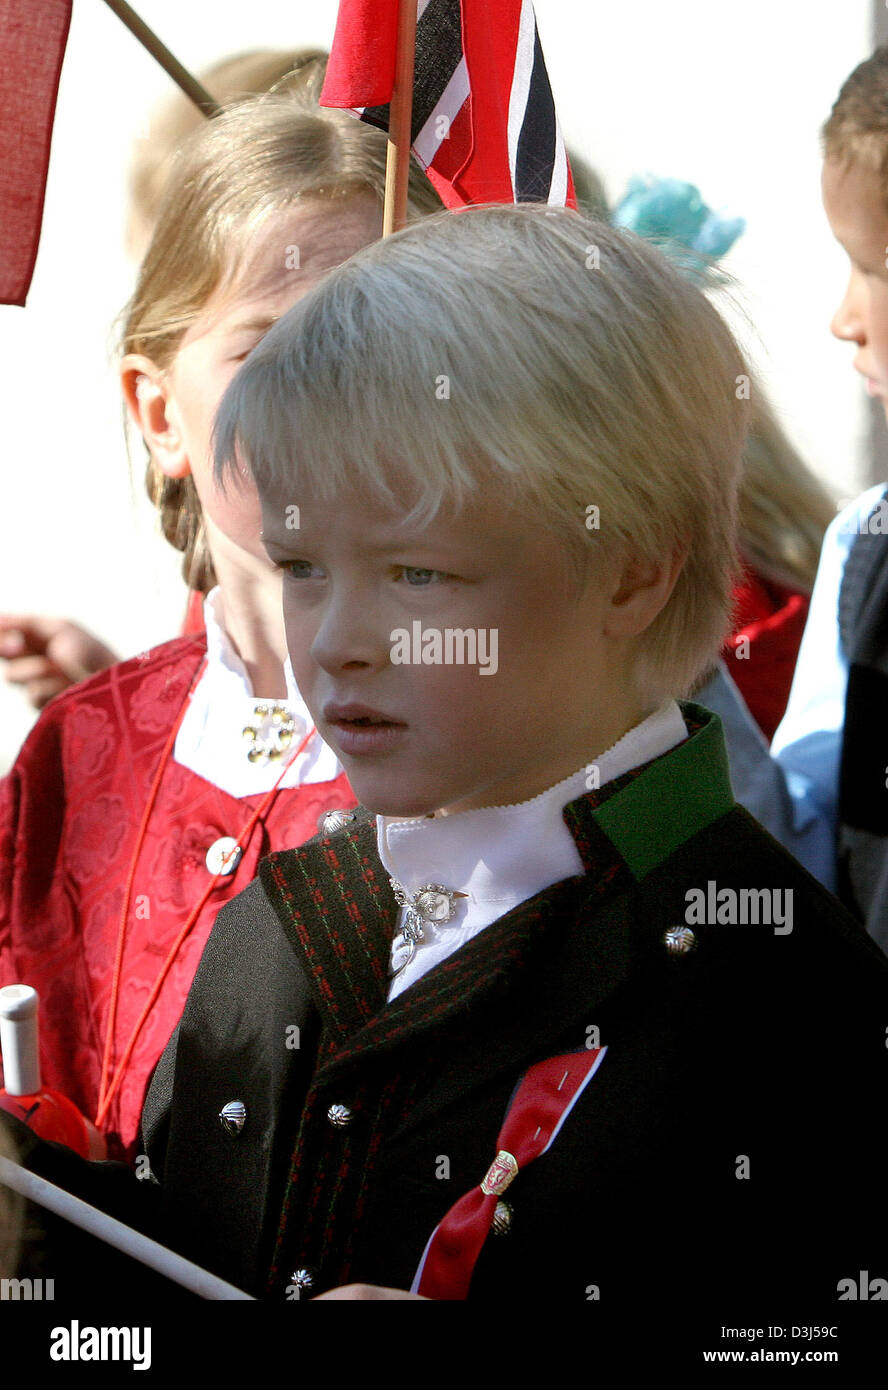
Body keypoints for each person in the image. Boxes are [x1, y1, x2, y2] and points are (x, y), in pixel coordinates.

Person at [5, 207, 886, 1317]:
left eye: (417, 573)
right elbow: (176, 1265)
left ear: (631, 573)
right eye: (303, 564)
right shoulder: (281, 924)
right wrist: (31, 1223)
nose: (336, 639)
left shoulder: (783, 1001)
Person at [0, 73, 442, 1162]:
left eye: (392, 345)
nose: (340, 398)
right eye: (274, 351)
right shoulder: (81, 749)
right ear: (162, 413)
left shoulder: (506, 724)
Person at [701, 47, 888, 949]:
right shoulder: (869, 550)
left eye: (874, 268)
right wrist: (663, 673)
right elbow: (790, 879)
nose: (844, 316)